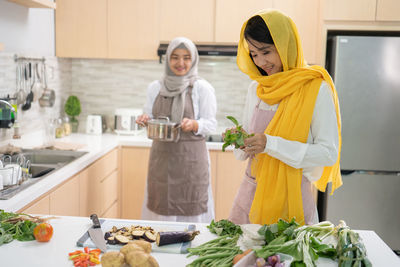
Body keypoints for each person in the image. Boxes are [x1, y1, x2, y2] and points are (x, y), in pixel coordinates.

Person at [227, 9, 342, 226]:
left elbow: (329, 154)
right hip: (250, 194)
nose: (260, 62)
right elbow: (242, 155)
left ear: (285, 44)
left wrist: (269, 144)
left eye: (266, 51)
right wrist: (239, 141)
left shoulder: (317, 89)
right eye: (253, 54)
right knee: (241, 258)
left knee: (286, 259)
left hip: (292, 199)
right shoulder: (257, 89)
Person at [136, 37, 217, 223]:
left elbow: (211, 124)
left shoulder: (202, 88)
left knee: (192, 211)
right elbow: (149, 115)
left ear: (194, 59)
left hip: (191, 162)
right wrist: (144, 119)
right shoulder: (155, 87)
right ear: (167, 59)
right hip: (162, 162)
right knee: (160, 210)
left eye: (187, 57)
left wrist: (195, 124)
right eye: (175, 57)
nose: (181, 63)